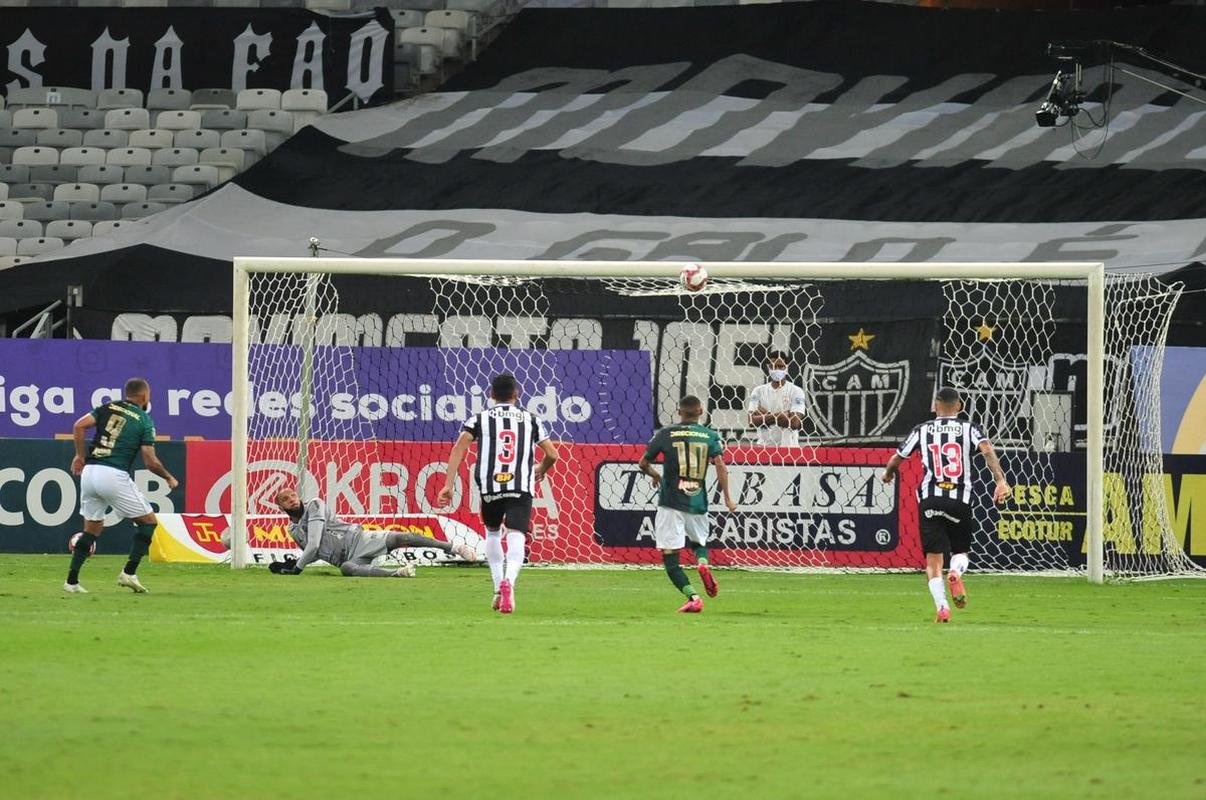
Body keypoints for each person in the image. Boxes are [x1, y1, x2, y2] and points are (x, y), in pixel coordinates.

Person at [881, 387, 1010, 623]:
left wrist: (889, 473)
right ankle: (956, 571)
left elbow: (897, 458)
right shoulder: (969, 428)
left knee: (933, 558)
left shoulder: (922, 430)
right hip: (960, 499)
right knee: (960, 552)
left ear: (935, 407)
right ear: (959, 406)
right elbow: (987, 450)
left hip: (930, 499)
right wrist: (1000, 481)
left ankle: (942, 608)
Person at [437, 373, 558, 614]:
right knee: (516, 535)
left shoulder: (479, 419)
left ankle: (496, 589)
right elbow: (552, 454)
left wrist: (448, 484)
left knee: (492, 533)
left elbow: (460, 446)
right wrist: (541, 470)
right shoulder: (531, 419)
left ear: (491, 395)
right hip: (519, 486)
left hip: (490, 486)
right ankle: (509, 584)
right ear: (517, 394)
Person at [65, 377, 178, 594]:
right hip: (113, 473)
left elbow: (79, 426)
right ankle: (129, 573)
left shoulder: (107, 407)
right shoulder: (144, 420)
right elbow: (150, 461)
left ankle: (71, 582)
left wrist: (80, 456)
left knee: (92, 528)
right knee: (148, 522)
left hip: (89, 473)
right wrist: (168, 477)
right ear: (145, 396)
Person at [637, 395, 737, 613]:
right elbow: (720, 465)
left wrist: (657, 476)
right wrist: (728, 497)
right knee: (699, 542)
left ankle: (693, 596)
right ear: (701, 411)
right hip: (697, 501)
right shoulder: (710, 436)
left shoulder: (665, 434)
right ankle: (702, 562)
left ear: (679, 412)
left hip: (670, 502)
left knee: (670, 558)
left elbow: (643, 463)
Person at [270, 488, 478, 577]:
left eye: (293, 495)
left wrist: (297, 568)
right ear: (282, 508)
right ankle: (397, 573)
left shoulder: (315, 505)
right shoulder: (293, 529)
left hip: (359, 539)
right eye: (286, 500)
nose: (293, 499)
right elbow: (314, 552)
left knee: (400, 537)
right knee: (347, 569)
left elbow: (314, 543)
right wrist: (299, 561)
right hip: (346, 559)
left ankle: (454, 547)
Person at [747, 351, 807, 446]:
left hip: (789, 447)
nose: (777, 370)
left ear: (786, 367)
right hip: (764, 447)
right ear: (769, 368)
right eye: (774, 366)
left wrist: (766, 414)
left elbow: (795, 423)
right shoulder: (758, 391)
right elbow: (751, 421)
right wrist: (781, 416)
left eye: (780, 366)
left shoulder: (796, 391)